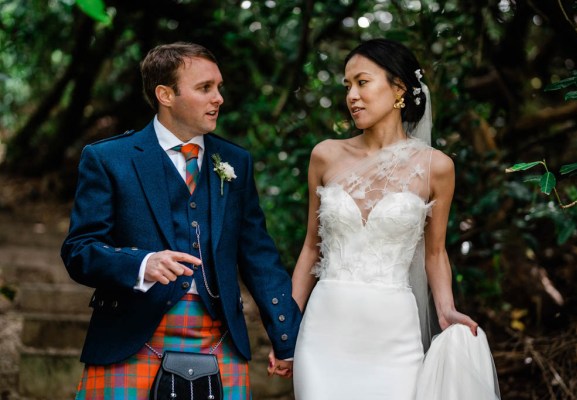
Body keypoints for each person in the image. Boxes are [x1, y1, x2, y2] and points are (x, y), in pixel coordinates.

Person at [61, 42, 301, 399]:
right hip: (132, 334)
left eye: (219, 87)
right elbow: (79, 251)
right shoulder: (109, 158)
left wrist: (288, 339)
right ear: (165, 94)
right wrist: (142, 263)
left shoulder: (235, 161)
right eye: (205, 88)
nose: (218, 97)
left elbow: (259, 257)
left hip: (217, 336)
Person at [291, 39, 501, 399]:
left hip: (393, 336)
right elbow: (311, 247)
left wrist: (446, 308)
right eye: (347, 86)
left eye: (362, 82)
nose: (352, 96)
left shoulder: (437, 167)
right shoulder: (325, 155)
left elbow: (434, 253)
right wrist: (286, 326)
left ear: (399, 88)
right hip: (324, 329)